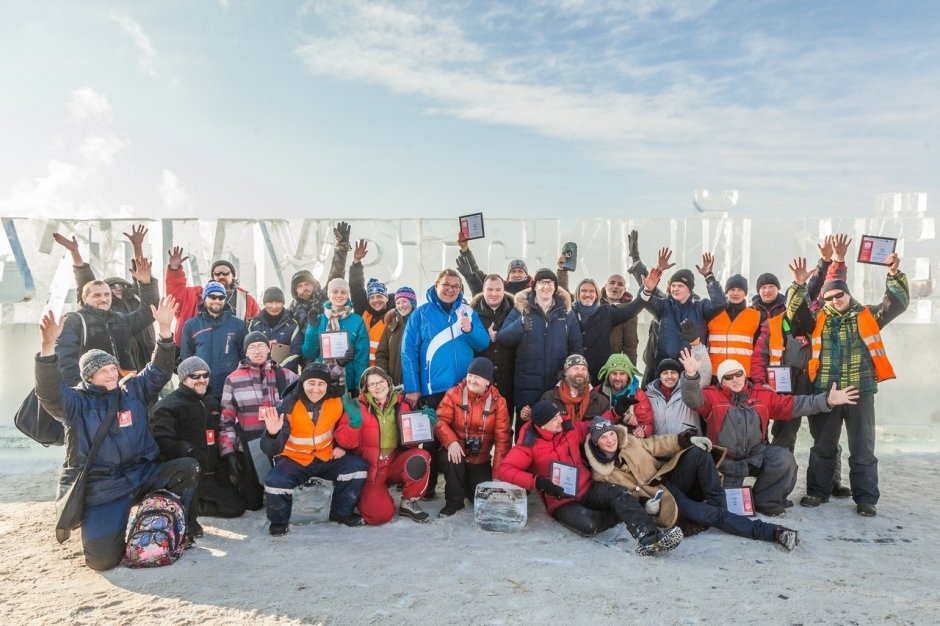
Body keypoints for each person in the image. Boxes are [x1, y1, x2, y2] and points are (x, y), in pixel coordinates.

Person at [35, 295, 200, 571]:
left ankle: (174, 523)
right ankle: (114, 525)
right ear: (88, 376)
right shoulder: (75, 403)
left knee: (188, 467)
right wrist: (48, 345)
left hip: (142, 473)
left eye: (113, 368)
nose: (111, 373)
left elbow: (159, 371)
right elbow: (49, 391)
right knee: (102, 561)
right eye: (102, 370)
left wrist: (164, 331)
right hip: (104, 487)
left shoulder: (132, 390)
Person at [786, 251, 909, 516]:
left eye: (838, 295)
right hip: (827, 392)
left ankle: (865, 498)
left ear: (847, 293)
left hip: (860, 392)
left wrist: (893, 274)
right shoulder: (818, 318)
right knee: (823, 445)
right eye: (829, 297)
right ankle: (818, 492)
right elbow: (794, 315)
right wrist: (797, 285)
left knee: (862, 447)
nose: (834, 300)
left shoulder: (867, 315)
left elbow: (896, 304)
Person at [679, 351, 860, 516]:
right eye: (728, 377)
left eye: (738, 374)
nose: (735, 379)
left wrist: (827, 400)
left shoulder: (762, 395)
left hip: (756, 454)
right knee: (724, 508)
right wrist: (691, 375)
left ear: (744, 374)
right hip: (726, 461)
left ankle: (766, 500)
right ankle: (732, 496)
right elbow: (692, 398)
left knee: (783, 459)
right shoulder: (711, 397)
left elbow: (794, 404)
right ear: (721, 381)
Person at [583, 417, 799, 551]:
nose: (610, 440)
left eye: (611, 434)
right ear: (596, 443)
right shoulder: (603, 475)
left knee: (698, 453)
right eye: (604, 438)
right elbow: (621, 502)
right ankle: (774, 532)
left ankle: (718, 505)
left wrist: (686, 440)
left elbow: (658, 444)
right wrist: (645, 508)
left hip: (668, 479)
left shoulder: (630, 443)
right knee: (714, 516)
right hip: (662, 499)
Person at [498, 401, 683, 556]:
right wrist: (537, 482)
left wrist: (616, 411)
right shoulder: (528, 445)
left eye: (558, 415)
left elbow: (594, 426)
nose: (559, 419)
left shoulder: (569, 428)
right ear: (541, 425)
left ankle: (650, 539)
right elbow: (505, 469)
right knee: (589, 525)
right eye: (554, 419)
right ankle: (630, 511)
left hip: (587, 487)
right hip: (561, 501)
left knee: (619, 494)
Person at [401, 269, 490, 497]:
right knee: (430, 440)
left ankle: (460, 487)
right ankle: (426, 486)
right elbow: (408, 352)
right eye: (446, 284)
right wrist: (413, 388)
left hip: (463, 390)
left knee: (460, 437)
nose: (450, 289)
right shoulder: (420, 314)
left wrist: (468, 329)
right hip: (434, 389)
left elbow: (482, 343)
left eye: (455, 286)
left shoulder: (467, 312)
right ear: (436, 285)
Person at [260, 363, 369, 535]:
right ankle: (279, 522)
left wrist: (341, 446)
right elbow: (270, 449)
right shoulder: (287, 407)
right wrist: (272, 434)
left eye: (321, 384)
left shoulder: (337, 403)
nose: (316, 389)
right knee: (276, 481)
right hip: (294, 460)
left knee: (357, 467)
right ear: (302, 383)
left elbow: (342, 431)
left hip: (325, 457)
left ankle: (341, 513)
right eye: (311, 383)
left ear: (327, 386)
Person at [151, 356, 249, 538]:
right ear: (183, 379)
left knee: (236, 507)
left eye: (205, 375)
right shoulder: (168, 406)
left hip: (212, 472)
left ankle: (199, 504)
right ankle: (185, 506)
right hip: (187, 475)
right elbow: (162, 440)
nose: (201, 380)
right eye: (194, 376)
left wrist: (228, 458)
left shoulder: (211, 401)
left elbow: (221, 431)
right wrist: (188, 451)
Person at [54, 225, 157, 372]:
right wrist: (75, 253)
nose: (104, 298)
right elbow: (86, 282)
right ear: (85, 297)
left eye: (107, 294)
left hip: (138, 358)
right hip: (94, 380)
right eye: (98, 294)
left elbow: (142, 280)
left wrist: (138, 247)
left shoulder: (124, 312)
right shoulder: (78, 321)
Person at [497, 268, 582, 433]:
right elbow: (503, 338)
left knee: (555, 431)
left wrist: (572, 374)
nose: (546, 287)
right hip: (527, 386)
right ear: (534, 286)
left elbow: (576, 344)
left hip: (555, 386)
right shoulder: (521, 310)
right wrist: (520, 325)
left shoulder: (566, 313)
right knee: (526, 432)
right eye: (542, 283)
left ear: (555, 287)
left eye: (550, 283)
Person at [354, 366, 433, 524]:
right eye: (372, 384)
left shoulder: (402, 405)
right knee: (379, 516)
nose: (378, 386)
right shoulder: (357, 408)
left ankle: (408, 502)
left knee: (420, 458)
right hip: (372, 467)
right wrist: (351, 423)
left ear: (389, 383)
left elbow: (411, 444)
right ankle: (375, 495)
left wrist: (426, 425)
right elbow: (347, 442)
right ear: (366, 389)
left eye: (381, 381)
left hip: (394, 461)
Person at [434, 357, 512, 517]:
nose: (472, 380)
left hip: (480, 458)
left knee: (482, 497)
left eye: (478, 377)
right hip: (457, 451)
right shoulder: (453, 394)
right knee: (452, 461)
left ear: (488, 382)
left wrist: (498, 477)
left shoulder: (499, 402)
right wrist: (451, 442)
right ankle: (454, 503)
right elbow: (439, 420)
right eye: (470, 375)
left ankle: (466, 485)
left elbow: (503, 440)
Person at [219, 331, 297, 481]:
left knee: (281, 492)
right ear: (246, 351)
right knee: (255, 500)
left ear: (269, 348)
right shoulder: (233, 379)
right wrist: (229, 452)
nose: (257, 350)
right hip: (251, 446)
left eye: (261, 345)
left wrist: (337, 366)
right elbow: (226, 420)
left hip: (282, 443)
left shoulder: (286, 375)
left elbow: (313, 386)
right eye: (252, 347)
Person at [637, 253, 727, 368]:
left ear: (689, 289)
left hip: (693, 367)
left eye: (680, 286)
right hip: (666, 368)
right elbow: (644, 299)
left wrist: (709, 276)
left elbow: (720, 303)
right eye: (673, 286)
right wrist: (649, 287)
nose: (675, 289)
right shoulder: (664, 306)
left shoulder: (700, 307)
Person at [165, 247, 259, 347]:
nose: (221, 276)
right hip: (199, 350)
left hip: (234, 352)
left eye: (226, 273)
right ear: (213, 277)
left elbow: (258, 327)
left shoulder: (246, 299)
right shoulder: (196, 295)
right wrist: (174, 270)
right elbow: (175, 295)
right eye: (217, 273)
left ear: (233, 276)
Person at [560, 277, 645, 385]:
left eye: (591, 291)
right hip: (574, 373)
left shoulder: (606, 312)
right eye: (584, 291)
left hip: (599, 374)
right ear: (577, 294)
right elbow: (561, 294)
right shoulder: (569, 313)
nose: (587, 294)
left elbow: (631, 310)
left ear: (597, 295)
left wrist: (646, 291)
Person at [179, 281, 248, 399]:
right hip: (202, 389)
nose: (217, 300)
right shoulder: (191, 325)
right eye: (212, 297)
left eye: (221, 297)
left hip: (231, 388)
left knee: (228, 418)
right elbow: (186, 359)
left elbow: (246, 358)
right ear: (205, 298)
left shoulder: (238, 325)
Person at [302, 277, 370, 396]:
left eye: (343, 292)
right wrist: (312, 329)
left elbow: (361, 358)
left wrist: (359, 386)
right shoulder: (320, 319)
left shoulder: (357, 321)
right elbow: (309, 353)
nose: (339, 295)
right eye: (335, 291)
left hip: (347, 382)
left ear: (347, 295)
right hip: (322, 381)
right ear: (329, 294)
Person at [469, 274, 517, 411]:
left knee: (505, 427)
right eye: (490, 290)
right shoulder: (473, 314)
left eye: (498, 290)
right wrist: (483, 335)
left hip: (508, 383)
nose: (494, 294)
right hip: (481, 384)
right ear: (483, 291)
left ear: (504, 290)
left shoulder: (515, 312)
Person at [634, 353, 710, 436]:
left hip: (690, 444)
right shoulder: (648, 395)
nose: (669, 376)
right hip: (661, 445)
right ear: (660, 376)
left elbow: (705, 376)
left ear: (679, 375)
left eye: (673, 372)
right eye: (665, 373)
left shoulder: (689, 390)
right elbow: (643, 420)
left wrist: (697, 347)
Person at [348, 238, 393, 366]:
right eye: (372, 297)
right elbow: (356, 287)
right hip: (362, 368)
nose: (375, 300)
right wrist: (357, 262)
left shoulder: (394, 316)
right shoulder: (364, 312)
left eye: (379, 296)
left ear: (386, 298)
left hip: (383, 371)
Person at [706, 274, 761, 374]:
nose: (735, 293)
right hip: (715, 372)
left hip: (743, 374)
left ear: (745, 293)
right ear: (726, 292)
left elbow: (759, 350)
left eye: (740, 290)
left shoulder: (755, 316)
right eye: (732, 289)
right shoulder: (713, 313)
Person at [539, 354, 609, 423]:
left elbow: (607, 429)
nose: (580, 372)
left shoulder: (600, 401)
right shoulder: (549, 398)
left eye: (584, 369)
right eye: (576, 368)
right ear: (565, 372)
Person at [593, 353, 650, 436]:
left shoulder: (638, 395)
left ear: (629, 376)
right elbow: (591, 424)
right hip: (604, 441)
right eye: (614, 373)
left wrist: (641, 429)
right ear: (608, 375)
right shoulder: (596, 393)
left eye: (622, 374)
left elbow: (648, 423)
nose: (618, 378)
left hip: (630, 440)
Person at [247, 286, 303, 370]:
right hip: (259, 371)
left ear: (283, 303)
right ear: (264, 303)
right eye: (270, 302)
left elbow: (296, 350)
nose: (274, 306)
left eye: (278, 302)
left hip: (284, 373)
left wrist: (278, 368)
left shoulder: (292, 324)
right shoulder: (254, 323)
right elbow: (247, 348)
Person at [375, 286, 417, 386]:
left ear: (413, 303)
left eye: (404, 301)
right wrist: (385, 378)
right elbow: (381, 354)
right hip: (393, 384)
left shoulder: (419, 324)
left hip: (415, 385)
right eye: (398, 303)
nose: (401, 305)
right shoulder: (391, 326)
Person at [601, 273, 640, 367]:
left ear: (624, 290)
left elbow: (630, 346)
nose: (615, 286)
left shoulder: (629, 312)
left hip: (612, 365)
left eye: (620, 284)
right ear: (606, 286)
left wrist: (630, 373)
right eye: (612, 283)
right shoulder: (594, 306)